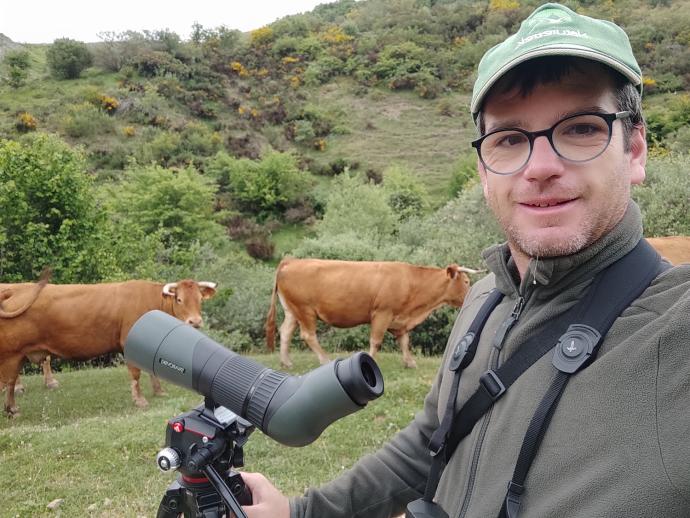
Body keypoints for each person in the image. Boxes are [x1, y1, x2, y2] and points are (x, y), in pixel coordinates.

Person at [241, 3, 690, 517]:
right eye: (509, 139)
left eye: (582, 128)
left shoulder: (674, 332)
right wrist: (301, 514)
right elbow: (431, 443)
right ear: (482, 169)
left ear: (635, 149)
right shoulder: (482, 299)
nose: (540, 167)